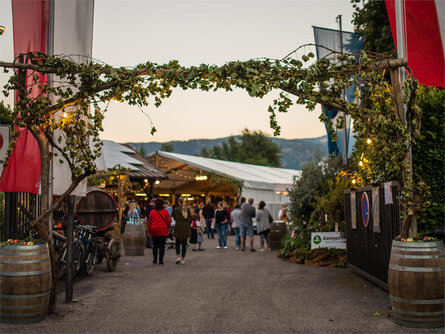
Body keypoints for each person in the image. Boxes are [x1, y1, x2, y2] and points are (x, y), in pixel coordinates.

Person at [148, 198, 171, 264]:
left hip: (154, 229)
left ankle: (155, 259)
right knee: (162, 246)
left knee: (155, 245)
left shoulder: (152, 211)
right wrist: (167, 227)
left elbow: (149, 222)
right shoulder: (165, 211)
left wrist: (149, 231)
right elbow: (169, 221)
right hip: (163, 230)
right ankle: (161, 260)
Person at [172, 197, 191, 265]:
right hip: (185, 227)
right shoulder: (187, 209)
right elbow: (189, 218)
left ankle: (178, 257)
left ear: (178, 202)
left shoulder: (176, 209)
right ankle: (183, 258)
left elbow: (174, 217)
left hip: (178, 227)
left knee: (177, 243)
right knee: (184, 244)